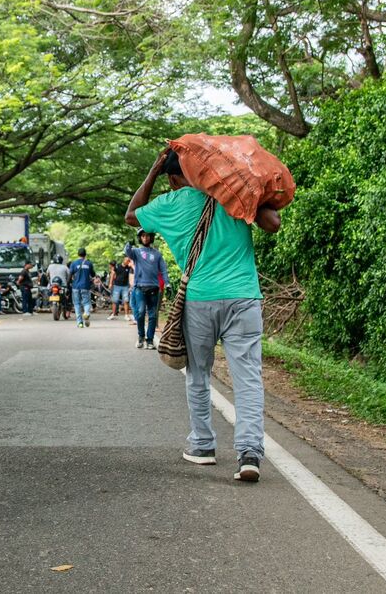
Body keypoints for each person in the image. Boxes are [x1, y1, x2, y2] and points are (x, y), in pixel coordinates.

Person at [125, 148, 281, 483]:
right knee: (248, 377)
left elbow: (131, 214)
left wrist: (151, 172)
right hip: (243, 297)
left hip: (199, 299)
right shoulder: (232, 194)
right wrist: (240, 179)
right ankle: (250, 453)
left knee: (198, 374)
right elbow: (273, 223)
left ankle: (203, 446)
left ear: (171, 178)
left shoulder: (169, 205)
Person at [124, 230, 168, 349]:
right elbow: (127, 252)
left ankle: (149, 340)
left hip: (154, 288)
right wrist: (129, 244)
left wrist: (167, 283)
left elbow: (163, 269)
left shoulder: (157, 254)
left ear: (151, 237)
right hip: (139, 288)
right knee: (141, 312)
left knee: (153, 315)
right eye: (143, 236)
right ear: (140, 238)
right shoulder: (136, 252)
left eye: (147, 235)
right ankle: (141, 336)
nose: (145, 238)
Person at [69, 248, 95, 328]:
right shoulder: (88, 263)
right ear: (85, 254)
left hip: (76, 287)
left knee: (77, 304)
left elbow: (70, 274)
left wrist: (68, 283)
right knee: (86, 303)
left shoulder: (74, 263)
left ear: (78, 254)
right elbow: (93, 274)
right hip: (85, 286)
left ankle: (80, 323)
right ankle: (86, 313)